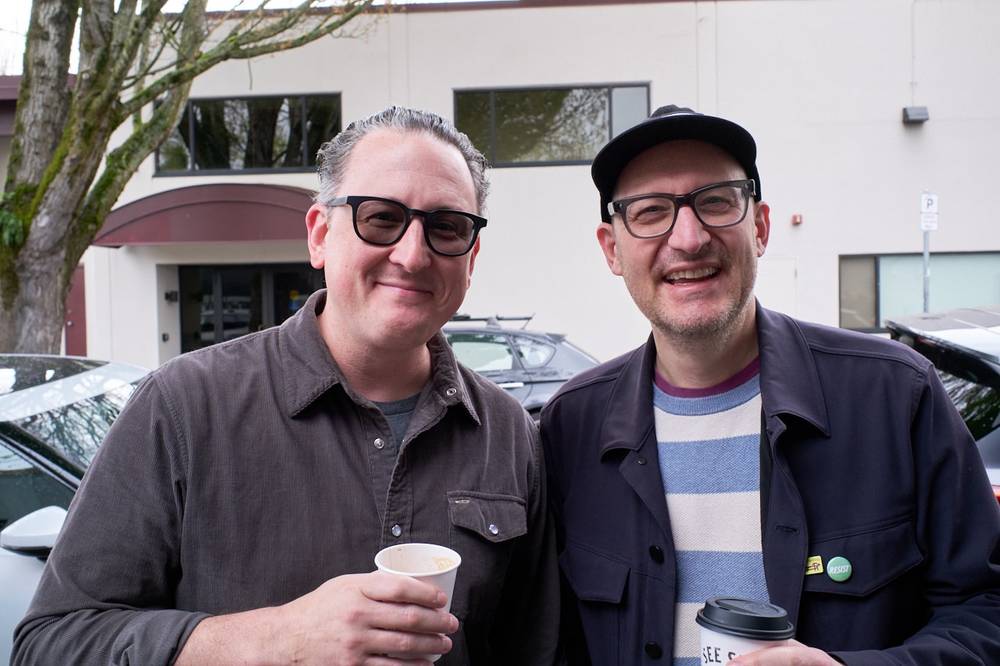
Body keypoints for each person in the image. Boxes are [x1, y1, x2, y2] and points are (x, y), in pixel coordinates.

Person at [13, 107, 558, 665]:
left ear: (471, 256)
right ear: (320, 235)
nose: (413, 254)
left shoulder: (508, 433)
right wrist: (276, 641)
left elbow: (535, 650)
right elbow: (53, 644)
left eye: (446, 227)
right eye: (380, 218)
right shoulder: (182, 407)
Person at [541, 105, 1000, 665]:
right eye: (650, 211)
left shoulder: (895, 397)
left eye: (715, 201)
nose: (688, 238)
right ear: (612, 248)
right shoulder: (571, 428)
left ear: (758, 226)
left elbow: (986, 609)